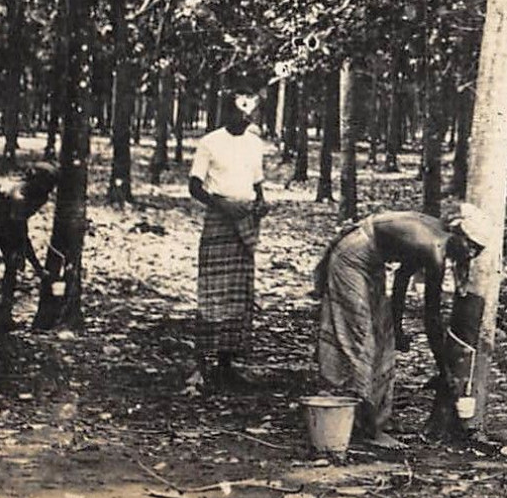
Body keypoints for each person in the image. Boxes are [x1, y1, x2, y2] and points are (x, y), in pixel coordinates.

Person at [313, 208, 482, 448]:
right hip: (352, 256)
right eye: (471, 247)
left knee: (384, 336)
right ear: (459, 236)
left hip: (372, 260)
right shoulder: (434, 248)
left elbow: (402, 278)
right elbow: (431, 318)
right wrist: (444, 370)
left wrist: (398, 327)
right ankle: (362, 425)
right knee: (359, 337)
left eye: (478, 251)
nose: (472, 255)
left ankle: (377, 418)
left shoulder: (435, 239)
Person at [189, 84, 272, 391]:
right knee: (213, 291)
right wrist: (220, 204)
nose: (245, 117)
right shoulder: (210, 143)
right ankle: (203, 364)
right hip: (219, 221)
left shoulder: (254, 143)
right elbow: (195, 186)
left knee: (239, 294)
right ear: (227, 112)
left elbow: (256, 181)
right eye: (239, 111)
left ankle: (227, 364)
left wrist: (260, 203)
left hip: (245, 223)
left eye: (248, 112)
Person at [0, 162, 60, 330]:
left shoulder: (39, 197)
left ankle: (5, 313)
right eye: (47, 184)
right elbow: (21, 235)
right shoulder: (19, 198)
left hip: (7, 219)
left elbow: (19, 229)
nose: (49, 189)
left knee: (12, 264)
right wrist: (38, 268)